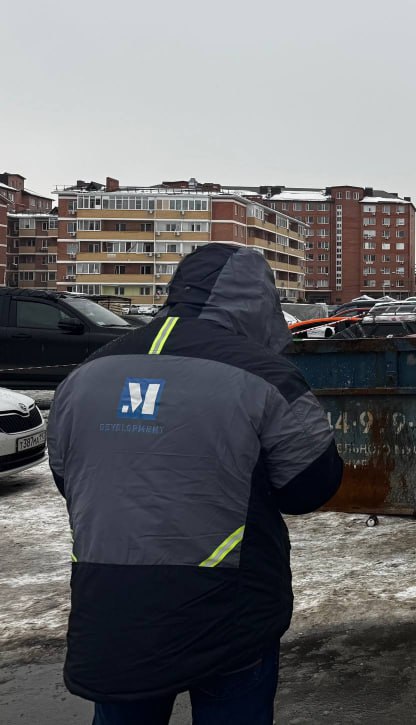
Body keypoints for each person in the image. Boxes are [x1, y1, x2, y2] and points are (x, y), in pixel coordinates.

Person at [47, 243, 344, 724]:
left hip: (113, 608)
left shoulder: (88, 372)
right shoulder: (266, 375)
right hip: (229, 610)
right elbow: (310, 486)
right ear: (258, 303)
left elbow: (69, 476)